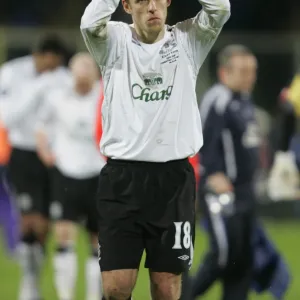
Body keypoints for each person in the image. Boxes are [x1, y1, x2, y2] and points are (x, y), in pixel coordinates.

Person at [80, 0, 231, 299]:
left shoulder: (188, 40)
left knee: (167, 287)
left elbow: (220, 8)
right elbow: (89, 22)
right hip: (122, 179)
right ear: (125, 5)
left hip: (173, 181)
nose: (152, 7)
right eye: (141, 0)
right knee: (116, 287)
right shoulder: (113, 41)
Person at [0, 35, 69, 300]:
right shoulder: (12, 73)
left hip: (53, 157)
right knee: (30, 220)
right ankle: (29, 283)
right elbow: (7, 116)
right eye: (48, 65)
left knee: (46, 224)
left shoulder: (63, 77)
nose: (51, 70)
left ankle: (33, 277)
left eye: (56, 66)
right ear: (38, 56)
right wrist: (39, 87)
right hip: (24, 153)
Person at [189, 45, 259, 300]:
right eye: (242, 71)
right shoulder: (217, 99)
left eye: (252, 71)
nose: (249, 76)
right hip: (223, 191)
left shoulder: (245, 99)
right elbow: (201, 140)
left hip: (246, 190)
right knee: (224, 254)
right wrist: (212, 173)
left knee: (243, 258)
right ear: (224, 72)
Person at [36, 52, 105, 300]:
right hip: (66, 172)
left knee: (96, 239)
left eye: (88, 69)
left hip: (97, 172)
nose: (83, 76)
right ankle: (66, 296)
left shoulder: (105, 95)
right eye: (79, 70)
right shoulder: (58, 97)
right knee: (64, 234)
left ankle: (93, 296)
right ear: (72, 73)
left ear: (95, 74)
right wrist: (46, 152)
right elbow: (41, 127)